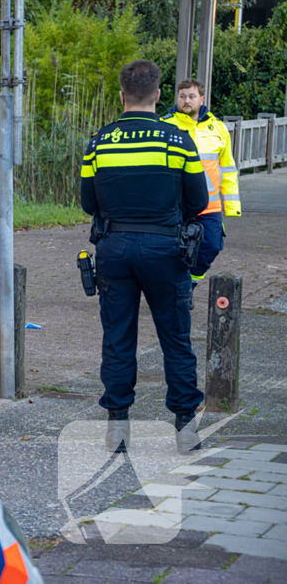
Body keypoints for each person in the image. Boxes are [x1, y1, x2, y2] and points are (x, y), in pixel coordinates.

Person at [80, 59, 209, 455]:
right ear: (157, 95)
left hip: (114, 250)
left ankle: (117, 428)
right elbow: (199, 201)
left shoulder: (99, 142)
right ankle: (186, 426)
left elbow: (88, 204)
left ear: (122, 96)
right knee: (175, 338)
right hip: (165, 250)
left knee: (118, 338)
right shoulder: (177, 140)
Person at [162, 79, 241, 302]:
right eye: (182, 96)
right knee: (173, 250)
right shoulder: (165, 126)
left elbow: (228, 168)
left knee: (211, 246)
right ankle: (178, 292)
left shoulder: (218, 128)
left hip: (210, 205)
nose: (186, 100)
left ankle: (187, 286)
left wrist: (233, 205)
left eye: (191, 96)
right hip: (176, 204)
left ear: (202, 99)